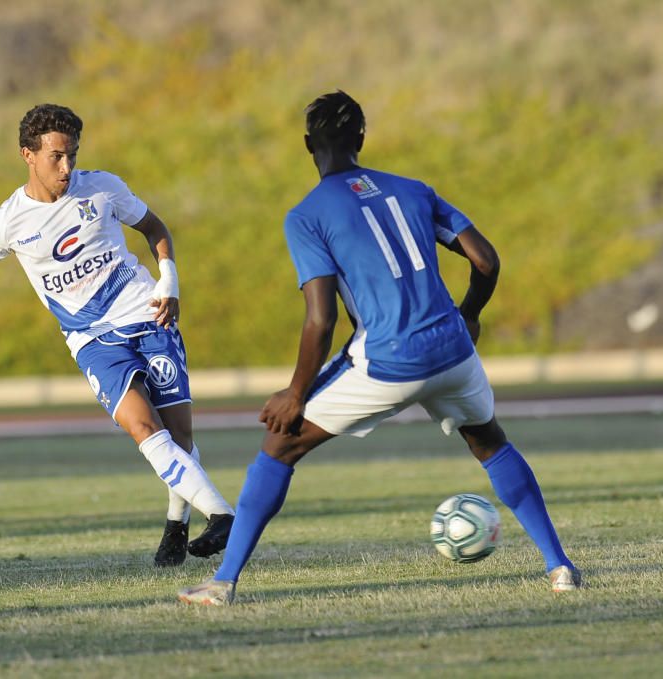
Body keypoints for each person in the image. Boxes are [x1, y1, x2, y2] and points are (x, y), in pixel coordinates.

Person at [178, 91, 579, 605]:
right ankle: (560, 566)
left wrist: (295, 393)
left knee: (280, 445)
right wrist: (470, 315)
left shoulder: (307, 216)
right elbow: (486, 260)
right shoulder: (413, 190)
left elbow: (320, 318)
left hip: (390, 359)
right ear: (362, 138)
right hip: (455, 353)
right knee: (490, 443)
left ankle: (224, 582)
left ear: (308, 145)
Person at [0, 103, 234, 566]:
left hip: (148, 315)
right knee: (142, 428)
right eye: (56, 157)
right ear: (27, 154)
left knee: (181, 439)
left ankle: (176, 521)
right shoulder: (9, 220)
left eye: (73, 155)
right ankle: (222, 514)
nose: (67, 167)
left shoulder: (102, 187)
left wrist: (169, 282)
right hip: (91, 339)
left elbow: (154, 227)